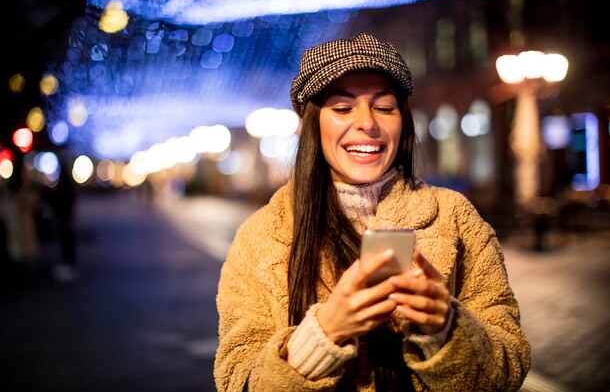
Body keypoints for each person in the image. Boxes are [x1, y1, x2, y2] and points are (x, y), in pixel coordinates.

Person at [214, 33, 531, 391]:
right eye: (343, 108)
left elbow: (509, 364)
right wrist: (323, 335)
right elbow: (238, 378)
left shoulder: (455, 216)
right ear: (311, 125)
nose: (368, 122)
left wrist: (445, 329)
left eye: (384, 107)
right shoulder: (260, 236)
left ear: (403, 120)